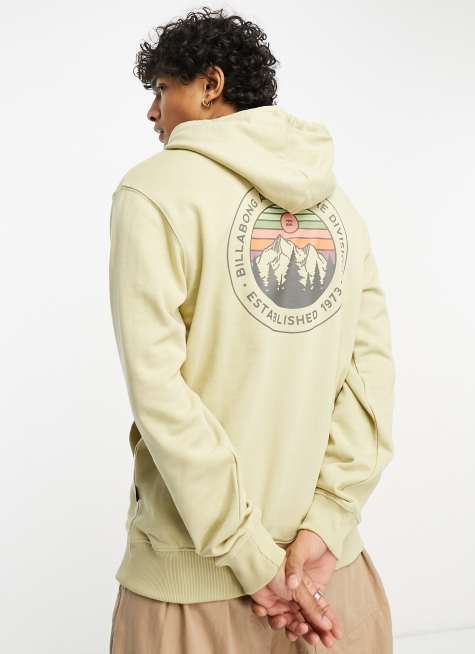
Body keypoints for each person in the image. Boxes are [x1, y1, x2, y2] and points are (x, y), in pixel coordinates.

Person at [108, 6, 395, 653]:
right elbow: (371, 377)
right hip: (329, 587)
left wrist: (249, 554)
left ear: (210, 85)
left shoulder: (151, 193)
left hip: (192, 594)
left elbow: (159, 390)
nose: (153, 112)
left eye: (162, 89)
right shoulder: (338, 206)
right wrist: (324, 525)